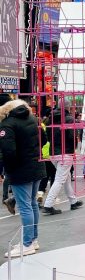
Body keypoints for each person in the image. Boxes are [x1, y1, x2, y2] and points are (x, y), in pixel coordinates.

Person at [0, 98, 46, 257]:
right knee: (32, 204)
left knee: (25, 206)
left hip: (21, 170)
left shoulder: (7, 124)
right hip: (37, 166)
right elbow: (44, 140)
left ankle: (27, 243)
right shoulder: (33, 118)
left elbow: (8, 151)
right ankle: (32, 240)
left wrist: (7, 170)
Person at [42, 105, 83, 215]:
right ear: (67, 107)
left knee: (66, 177)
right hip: (66, 153)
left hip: (53, 153)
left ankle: (73, 201)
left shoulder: (50, 119)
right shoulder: (69, 119)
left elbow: (47, 136)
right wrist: (73, 149)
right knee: (60, 179)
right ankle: (48, 204)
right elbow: (72, 136)